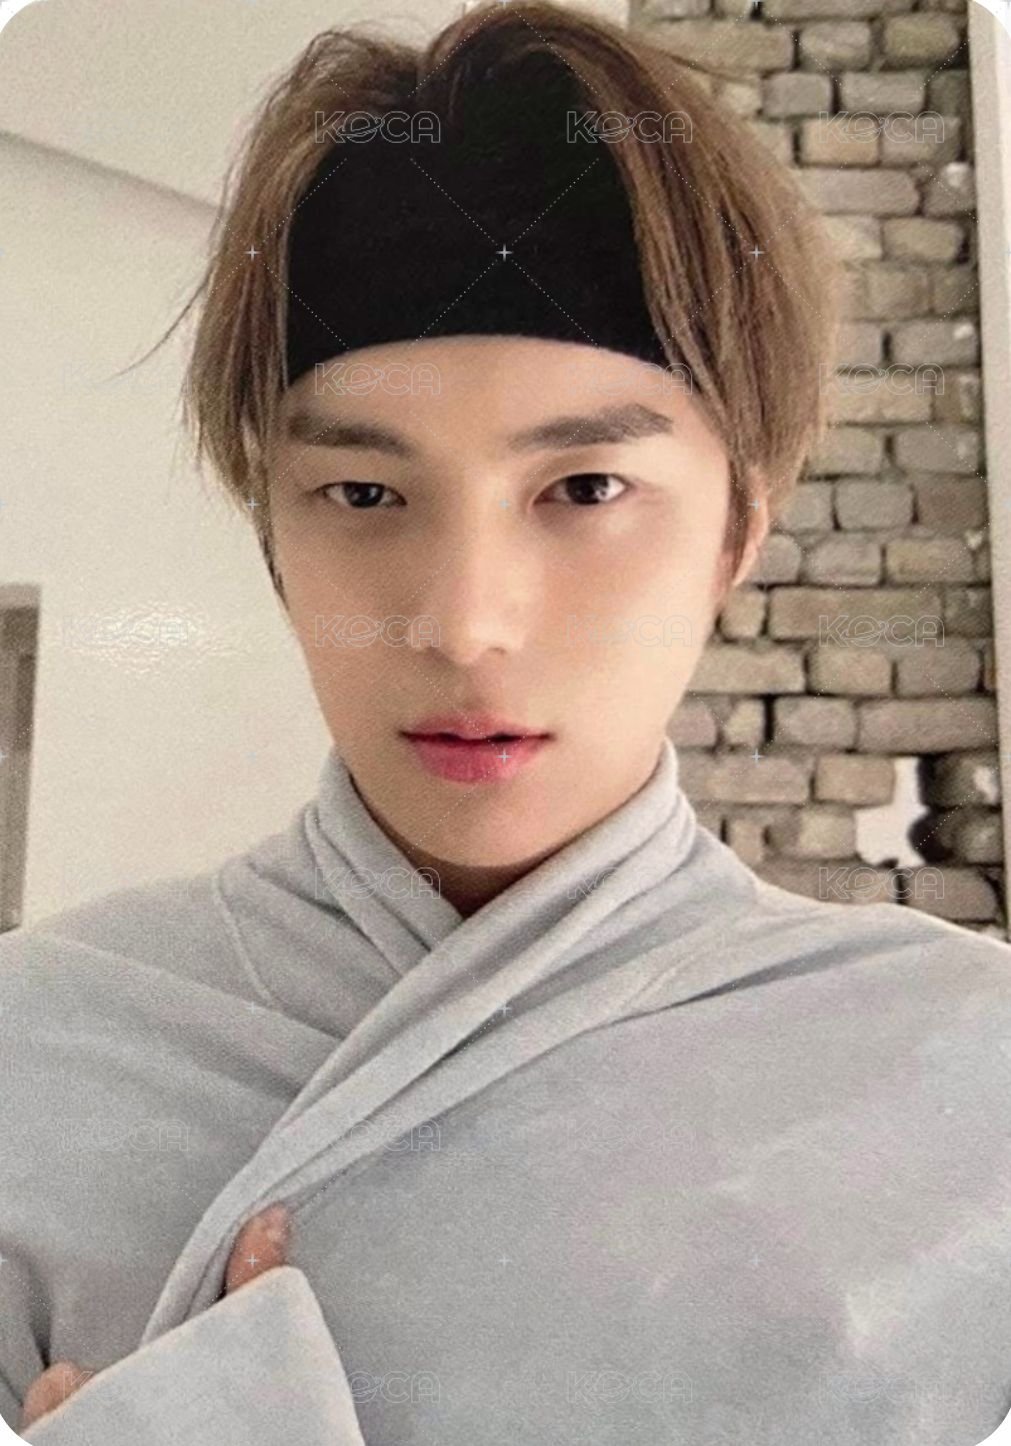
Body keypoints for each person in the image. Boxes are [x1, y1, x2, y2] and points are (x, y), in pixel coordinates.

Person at [4, 4, 1011, 1444]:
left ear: (738, 530)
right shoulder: (40, 1050)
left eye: (586, 490)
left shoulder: (970, 1080)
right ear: (275, 535)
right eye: (363, 493)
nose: (466, 622)